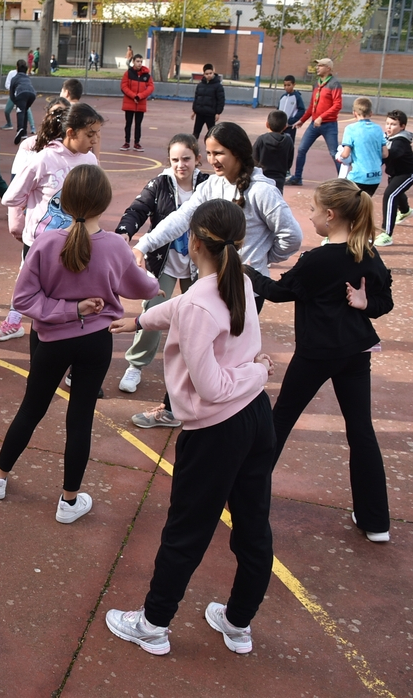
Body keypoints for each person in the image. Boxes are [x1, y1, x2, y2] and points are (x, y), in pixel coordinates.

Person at [105, 199, 276, 658]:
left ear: (193, 241)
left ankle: (154, 624)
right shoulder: (236, 279)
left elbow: (214, 387)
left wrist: (259, 372)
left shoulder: (203, 303)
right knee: (254, 527)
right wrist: (138, 319)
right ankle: (238, 623)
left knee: (186, 530)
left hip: (218, 430)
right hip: (258, 421)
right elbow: (180, 307)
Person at [0, 164, 159, 523]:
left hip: (51, 341)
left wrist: (67, 309)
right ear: (104, 202)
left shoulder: (48, 242)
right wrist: (145, 273)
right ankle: (69, 500)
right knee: (81, 420)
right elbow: (145, 288)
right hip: (96, 342)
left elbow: (24, 300)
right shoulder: (114, 247)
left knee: (32, 408)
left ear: (65, 200)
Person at [245, 179, 394, 541]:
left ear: (330, 215)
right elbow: (384, 302)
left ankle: (247, 500)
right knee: (361, 432)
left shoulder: (318, 260)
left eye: (312, 210)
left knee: (279, 422)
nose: (309, 217)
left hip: (317, 354)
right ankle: (376, 521)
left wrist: (248, 273)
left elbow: (280, 292)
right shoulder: (368, 254)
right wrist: (365, 304)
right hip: (356, 353)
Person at [129, 122, 302, 429]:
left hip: (243, 287)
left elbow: (291, 237)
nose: (212, 160)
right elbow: (182, 218)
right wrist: (143, 245)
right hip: (210, 283)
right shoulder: (212, 186)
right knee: (191, 348)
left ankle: (229, 413)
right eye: (208, 153)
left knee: (231, 353)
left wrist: (260, 259)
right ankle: (178, 408)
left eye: (219, 152)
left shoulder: (262, 191)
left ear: (239, 153)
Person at [114, 134, 211, 394]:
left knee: (199, 316)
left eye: (187, 159)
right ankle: (136, 364)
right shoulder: (159, 183)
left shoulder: (209, 185)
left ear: (198, 159)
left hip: (199, 263)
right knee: (153, 312)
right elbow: (138, 208)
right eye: (175, 159)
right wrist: (125, 230)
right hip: (164, 261)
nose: (181, 164)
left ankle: (196, 367)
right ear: (169, 161)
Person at [0, 100, 94, 342]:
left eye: (96, 133)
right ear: (69, 129)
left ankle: (67, 339)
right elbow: (13, 195)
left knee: (68, 292)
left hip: (74, 240)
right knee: (30, 286)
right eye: (91, 134)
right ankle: (17, 323)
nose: (95, 139)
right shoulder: (41, 156)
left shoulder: (89, 160)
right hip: (40, 241)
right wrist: (23, 220)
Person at [287, 58, 343, 186]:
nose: (317, 68)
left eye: (320, 65)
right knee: (301, 149)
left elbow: (337, 105)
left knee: (334, 153)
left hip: (329, 125)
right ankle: (297, 177)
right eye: (317, 65)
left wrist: (321, 117)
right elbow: (313, 105)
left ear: (328, 68)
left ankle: (343, 181)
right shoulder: (317, 84)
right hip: (314, 124)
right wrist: (302, 120)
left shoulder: (334, 84)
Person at [375, 109, 413, 247]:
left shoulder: (401, 140)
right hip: (395, 173)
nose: (389, 127)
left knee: (390, 195)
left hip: (408, 173)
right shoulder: (385, 137)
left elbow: (392, 153)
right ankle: (406, 211)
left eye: (393, 124)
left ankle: (386, 234)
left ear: (402, 126)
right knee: (396, 192)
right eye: (387, 123)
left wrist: (376, 151)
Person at [336, 97, 387, 197]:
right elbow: (385, 154)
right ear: (371, 113)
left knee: (348, 204)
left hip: (359, 176)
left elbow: (346, 154)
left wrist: (339, 156)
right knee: (363, 204)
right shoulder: (377, 128)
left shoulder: (351, 129)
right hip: (375, 177)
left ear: (354, 113)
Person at [253, 110, 295, 192]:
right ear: (285, 127)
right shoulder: (288, 140)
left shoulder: (261, 139)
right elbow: (289, 161)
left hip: (261, 177)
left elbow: (253, 158)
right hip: (279, 178)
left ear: (267, 124)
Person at [120, 54, 154, 152]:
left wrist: (140, 96)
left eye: (140, 61)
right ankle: (127, 142)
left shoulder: (147, 75)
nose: (139, 63)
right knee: (128, 123)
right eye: (137, 61)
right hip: (129, 103)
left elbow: (150, 87)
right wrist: (133, 96)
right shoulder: (128, 73)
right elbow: (124, 86)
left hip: (140, 103)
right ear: (133, 62)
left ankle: (137, 143)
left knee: (138, 124)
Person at [191, 64, 225, 141]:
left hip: (210, 113)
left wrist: (218, 113)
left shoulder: (218, 86)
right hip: (200, 113)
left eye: (210, 73)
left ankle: (213, 146)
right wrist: (194, 110)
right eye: (207, 74)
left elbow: (221, 100)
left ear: (213, 72)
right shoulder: (200, 85)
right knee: (196, 132)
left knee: (212, 132)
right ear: (204, 74)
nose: (209, 75)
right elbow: (196, 98)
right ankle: (193, 147)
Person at [9, 60, 38, 146]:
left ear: (17, 68)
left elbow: (11, 93)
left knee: (20, 111)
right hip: (32, 94)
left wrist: (15, 102)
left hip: (21, 93)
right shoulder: (27, 77)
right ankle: (24, 132)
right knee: (24, 110)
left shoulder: (14, 78)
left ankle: (20, 129)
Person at [2, 60, 36, 132]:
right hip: (14, 95)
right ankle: (9, 124)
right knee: (7, 111)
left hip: (22, 96)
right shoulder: (12, 74)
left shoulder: (25, 75)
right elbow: (7, 84)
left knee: (26, 110)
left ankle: (31, 126)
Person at [278, 75, 306, 146]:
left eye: (289, 85)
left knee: (288, 144)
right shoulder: (283, 97)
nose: (286, 87)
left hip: (290, 127)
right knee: (278, 144)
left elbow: (301, 110)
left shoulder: (297, 97)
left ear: (294, 85)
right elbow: (278, 109)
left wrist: (291, 121)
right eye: (285, 85)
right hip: (280, 126)